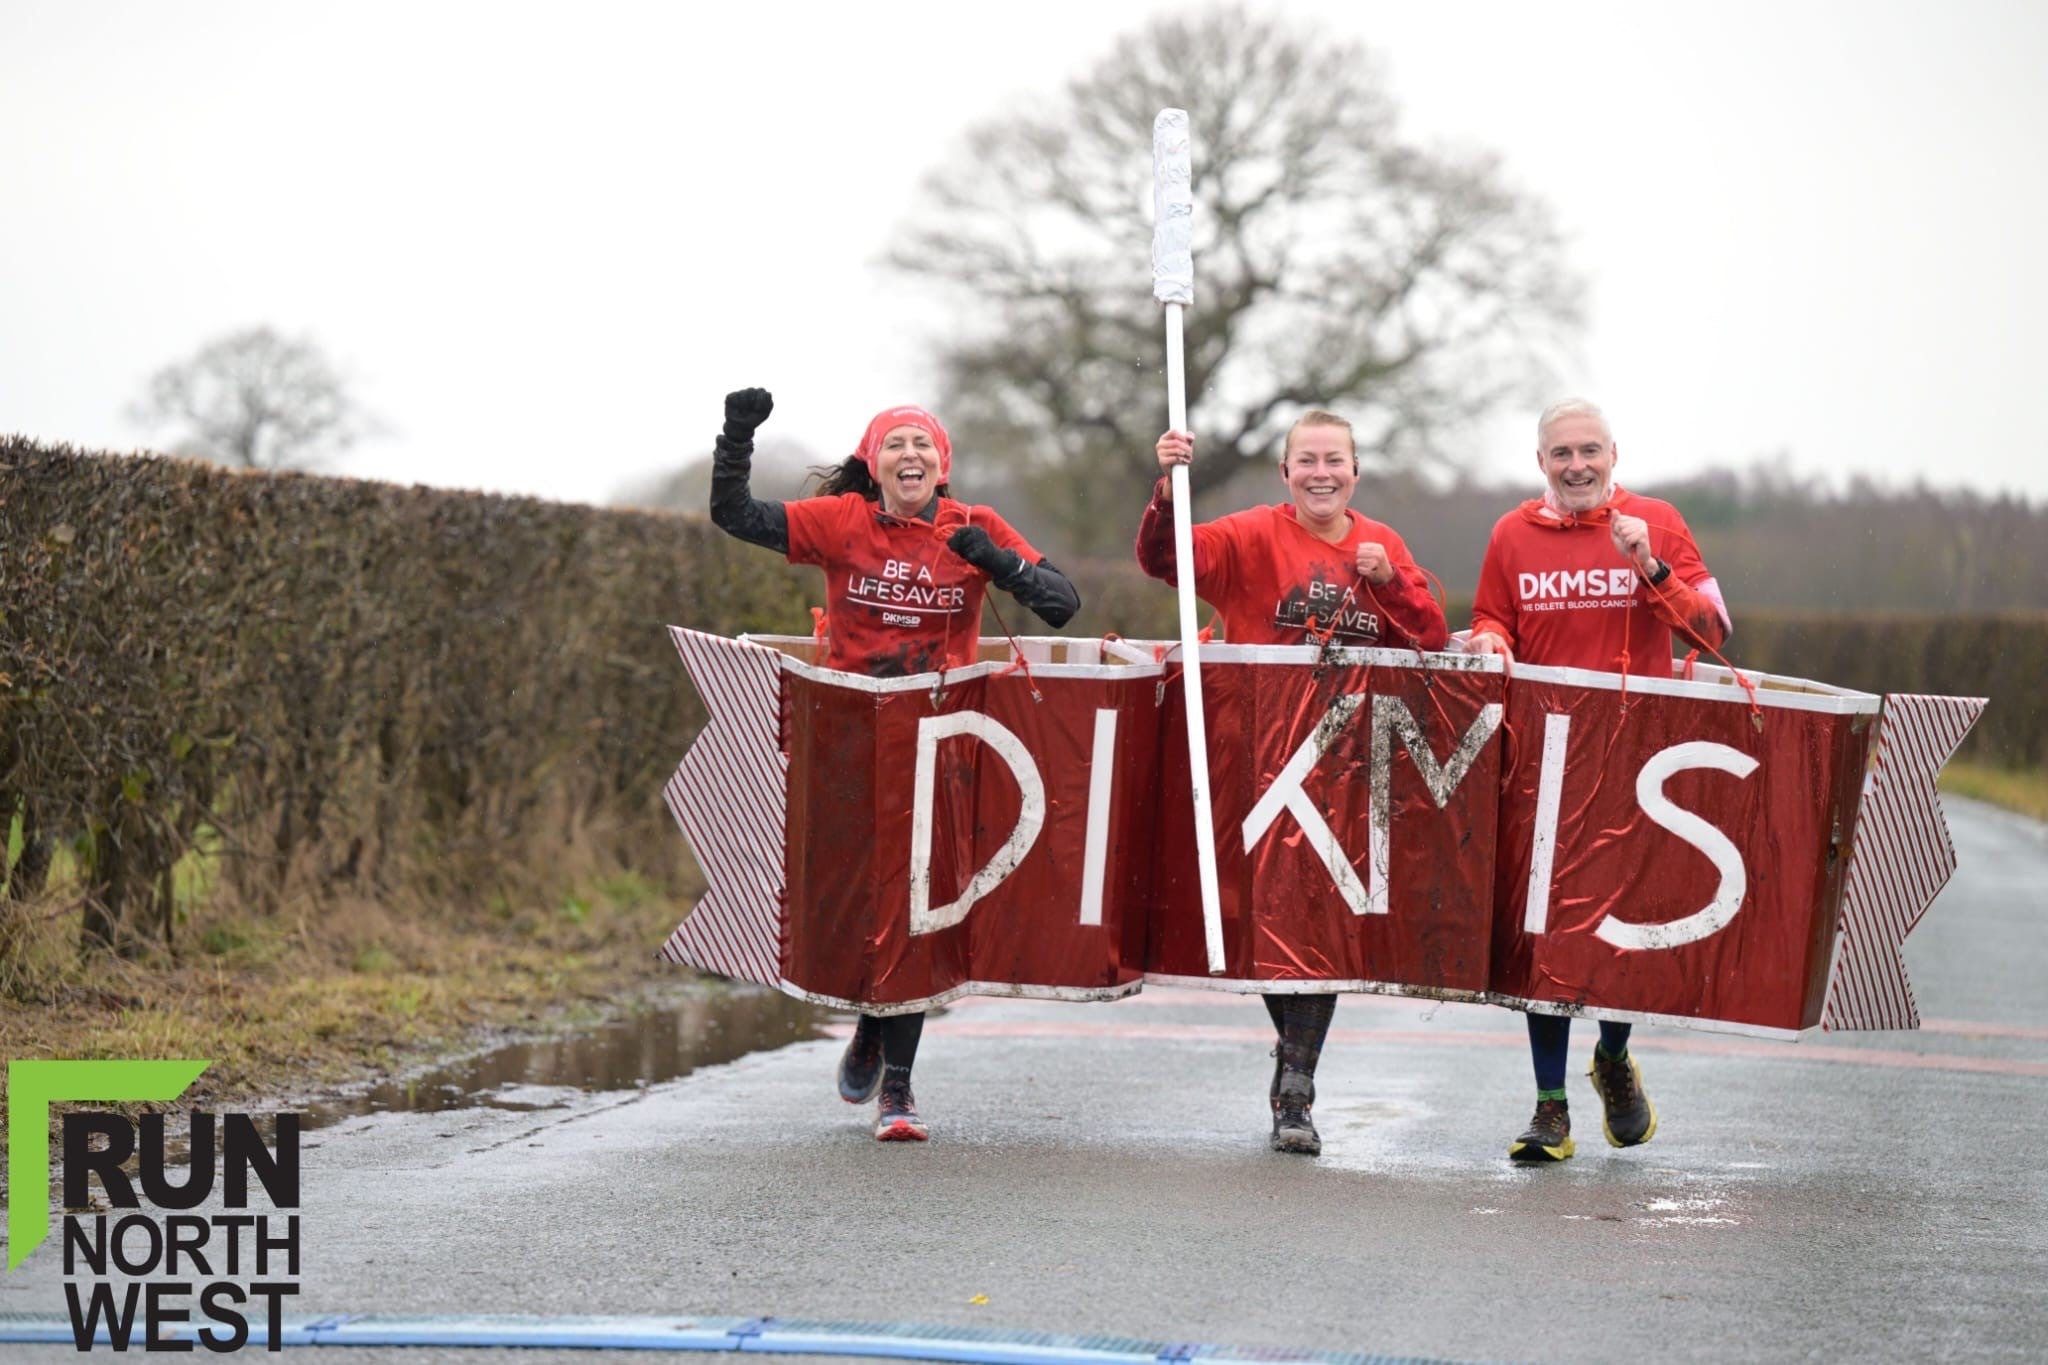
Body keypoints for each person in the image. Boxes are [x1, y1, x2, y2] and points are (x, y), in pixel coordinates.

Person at [709, 386, 1081, 1141]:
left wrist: (997, 560)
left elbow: (1063, 603)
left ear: (941, 464)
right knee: (854, 903)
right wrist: (737, 432)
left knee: (917, 907)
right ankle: (871, 1028)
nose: (909, 455)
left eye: (923, 445)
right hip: (847, 735)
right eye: (894, 444)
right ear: (872, 465)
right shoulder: (843, 522)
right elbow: (735, 515)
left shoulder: (971, 525)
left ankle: (900, 1090)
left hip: (940, 739)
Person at [1138, 410, 1450, 1157]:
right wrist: (1168, 489)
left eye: (1334, 460)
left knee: (1324, 932)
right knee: (1273, 926)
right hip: (1257, 766)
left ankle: (1295, 1089)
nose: (1321, 472)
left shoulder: (1382, 546)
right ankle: (1295, 1065)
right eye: (1306, 460)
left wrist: (1393, 584)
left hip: (1349, 774)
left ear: (1355, 471)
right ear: (1286, 474)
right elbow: (1166, 561)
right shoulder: (1252, 534)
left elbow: (1432, 637)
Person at [1467, 397, 1732, 1163]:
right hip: (1542, 760)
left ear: (1614, 455)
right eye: (1561, 454)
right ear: (1540, 462)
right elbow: (1493, 619)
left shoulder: (1657, 521)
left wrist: (1649, 564)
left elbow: (1712, 633)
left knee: (1623, 928)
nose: (1576, 465)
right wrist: (1488, 639)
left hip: (1634, 759)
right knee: (1544, 931)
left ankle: (1613, 1056)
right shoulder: (1511, 534)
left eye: (1590, 451)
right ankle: (1550, 1107)